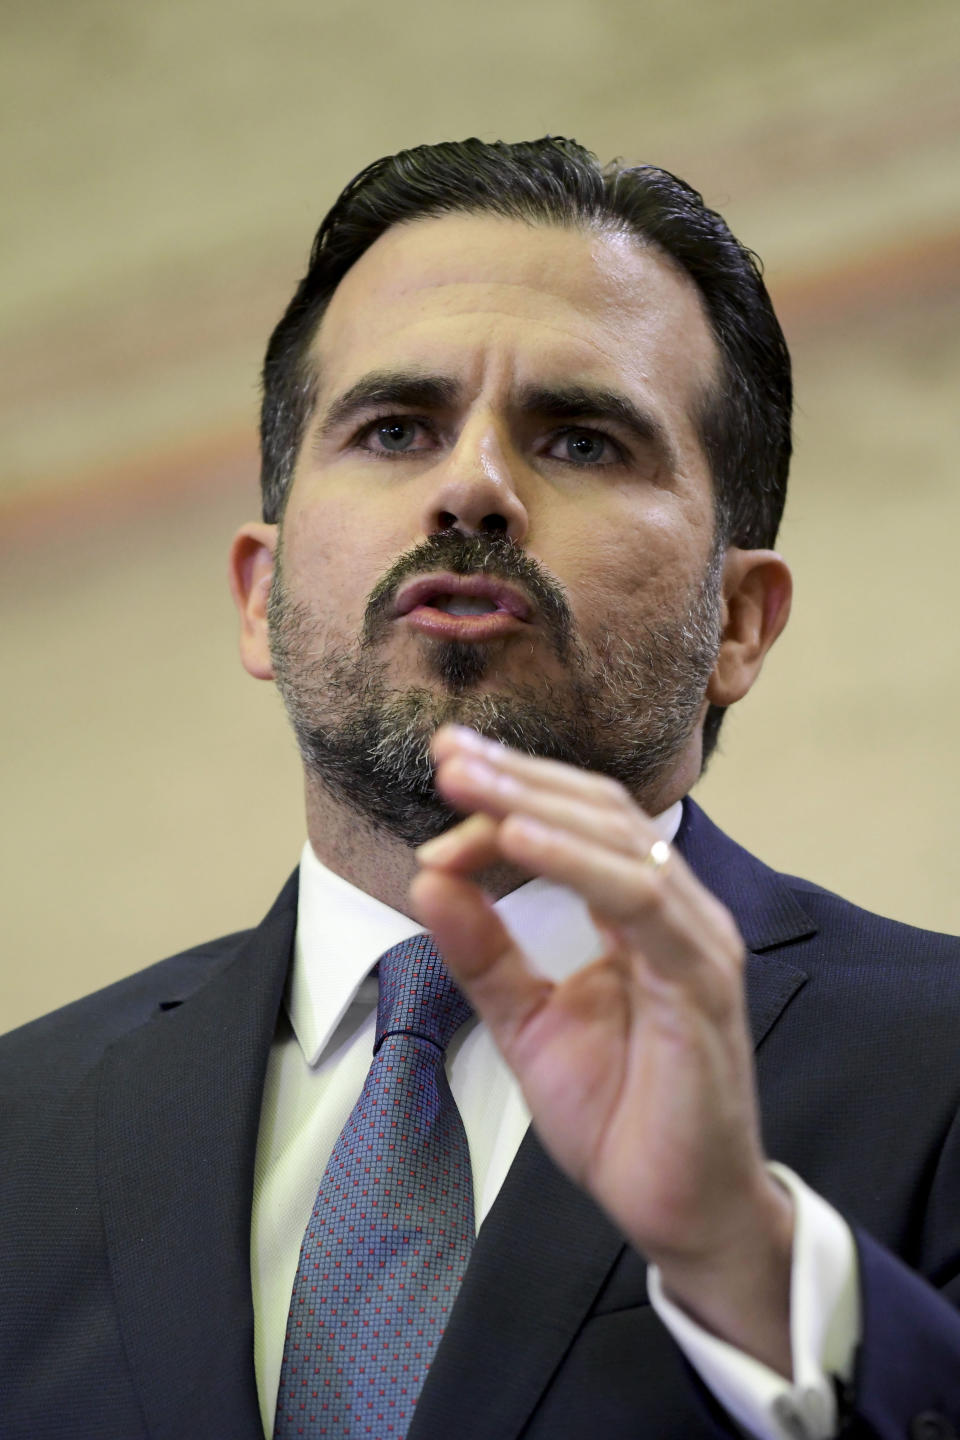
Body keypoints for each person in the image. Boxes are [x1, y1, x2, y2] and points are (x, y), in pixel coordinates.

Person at [2, 136, 959, 1440]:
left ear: (739, 621)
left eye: (580, 439)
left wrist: (748, 1258)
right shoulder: (23, 1131)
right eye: (395, 429)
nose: (473, 487)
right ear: (260, 599)